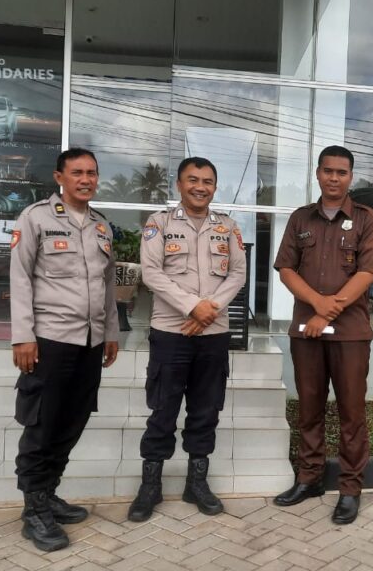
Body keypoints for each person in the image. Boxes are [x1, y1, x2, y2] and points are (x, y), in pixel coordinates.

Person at [9, 147, 119, 552]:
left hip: (90, 342)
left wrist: (111, 332)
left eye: (92, 173)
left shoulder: (102, 226)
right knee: (43, 424)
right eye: (77, 173)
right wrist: (23, 335)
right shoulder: (36, 218)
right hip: (50, 340)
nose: (86, 180)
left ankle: (48, 492)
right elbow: (20, 277)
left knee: (73, 421)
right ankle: (34, 509)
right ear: (60, 177)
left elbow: (107, 286)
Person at [128, 157, 247, 521]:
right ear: (178, 185)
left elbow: (238, 274)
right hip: (171, 332)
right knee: (163, 410)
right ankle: (150, 486)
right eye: (192, 180)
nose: (200, 187)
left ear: (215, 187)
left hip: (213, 334)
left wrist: (210, 309)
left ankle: (197, 484)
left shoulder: (228, 226)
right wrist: (193, 307)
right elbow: (152, 273)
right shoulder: (159, 223)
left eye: (207, 181)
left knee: (206, 410)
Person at [272, 145, 373, 525]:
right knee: (309, 408)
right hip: (307, 332)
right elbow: (286, 269)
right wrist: (317, 305)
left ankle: (350, 489)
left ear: (350, 177)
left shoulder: (366, 219)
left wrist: (327, 311)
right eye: (328, 171)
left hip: (350, 334)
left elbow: (367, 272)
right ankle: (310, 479)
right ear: (317, 173)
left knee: (352, 413)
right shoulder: (300, 218)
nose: (334, 178)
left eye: (342, 172)